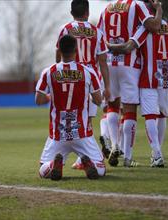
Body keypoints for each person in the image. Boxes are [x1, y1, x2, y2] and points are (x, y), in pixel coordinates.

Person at [108, 2, 168, 167]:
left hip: (149, 76)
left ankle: (156, 154)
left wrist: (107, 47)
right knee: (163, 114)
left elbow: (129, 47)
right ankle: (157, 153)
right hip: (167, 76)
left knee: (150, 115)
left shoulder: (144, 29)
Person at [97, 0, 163, 167]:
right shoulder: (136, 5)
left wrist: (107, 48)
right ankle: (127, 157)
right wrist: (159, 9)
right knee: (129, 111)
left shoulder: (106, 7)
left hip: (110, 64)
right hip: (129, 65)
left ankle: (115, 146)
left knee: (112, 106)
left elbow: (99, 36)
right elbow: (154, 26)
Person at [36, 35, 106, 180]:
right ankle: (90, 164)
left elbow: (39, 99)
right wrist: (88, 94)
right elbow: (99, 100)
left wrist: (51, 96)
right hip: (82, 133)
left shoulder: (48, 72)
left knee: (42, 170)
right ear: (76, 50)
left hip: (58, 134)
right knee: (101, 169)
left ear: (59, 51)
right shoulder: (88, 72)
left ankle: (53, 165)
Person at [55, 0, 111, 168]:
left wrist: (57, 75)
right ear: (87, 12)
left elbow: (59, 54)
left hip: (71, 78)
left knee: (70, 118)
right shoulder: (97, 32)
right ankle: (84, 156)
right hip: (91, 79)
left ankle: (77, 157)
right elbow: (102, 61)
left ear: (71, 12)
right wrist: (107, 86)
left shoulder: (65, 29)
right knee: (87, 121)